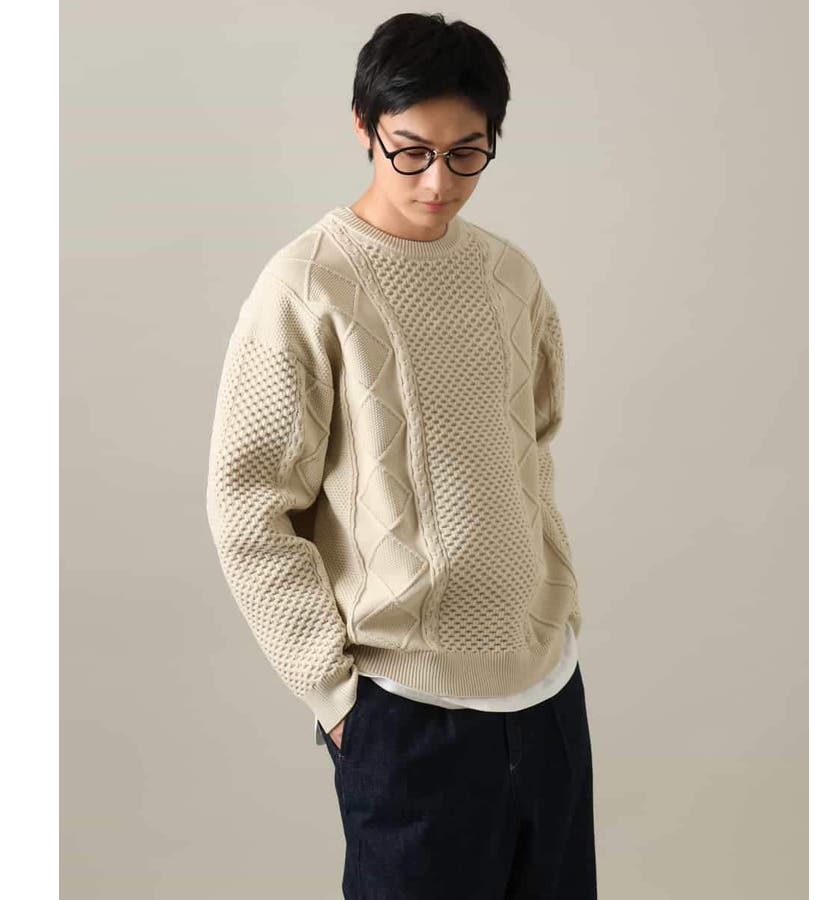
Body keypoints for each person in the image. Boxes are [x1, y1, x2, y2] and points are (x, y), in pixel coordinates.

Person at [205, 11, 597, 899]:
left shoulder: (510, 276)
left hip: (547, 693)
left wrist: (559, 612)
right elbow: (248, 504)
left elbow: (531, 450)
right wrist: (336, 696)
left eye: (467, 153)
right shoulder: (308, 285)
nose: (437, 180)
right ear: (364, 127)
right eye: (410, 150)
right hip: (406, 713)